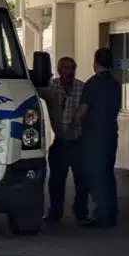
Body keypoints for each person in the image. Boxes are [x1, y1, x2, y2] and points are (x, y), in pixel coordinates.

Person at [38, 56, 88, 223]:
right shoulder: (52, 87)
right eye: (66, 68)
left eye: (72, 68)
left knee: (82, 180)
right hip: (60, 141)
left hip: (78, 141)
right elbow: (36, 90)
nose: (70, 72)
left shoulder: (82, 87)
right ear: (59, 70)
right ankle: (55, 213)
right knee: (56, 181)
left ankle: (81, 212)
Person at [78, 46, 121, 228]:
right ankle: (111, 213)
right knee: (108, 173)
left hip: (94, 135)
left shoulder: (92, 84)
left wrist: (74, 123)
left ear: (95, 63)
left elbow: (83, 110)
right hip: (110, 133)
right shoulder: (115, 84)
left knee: (97, 175)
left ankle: (101, 215)